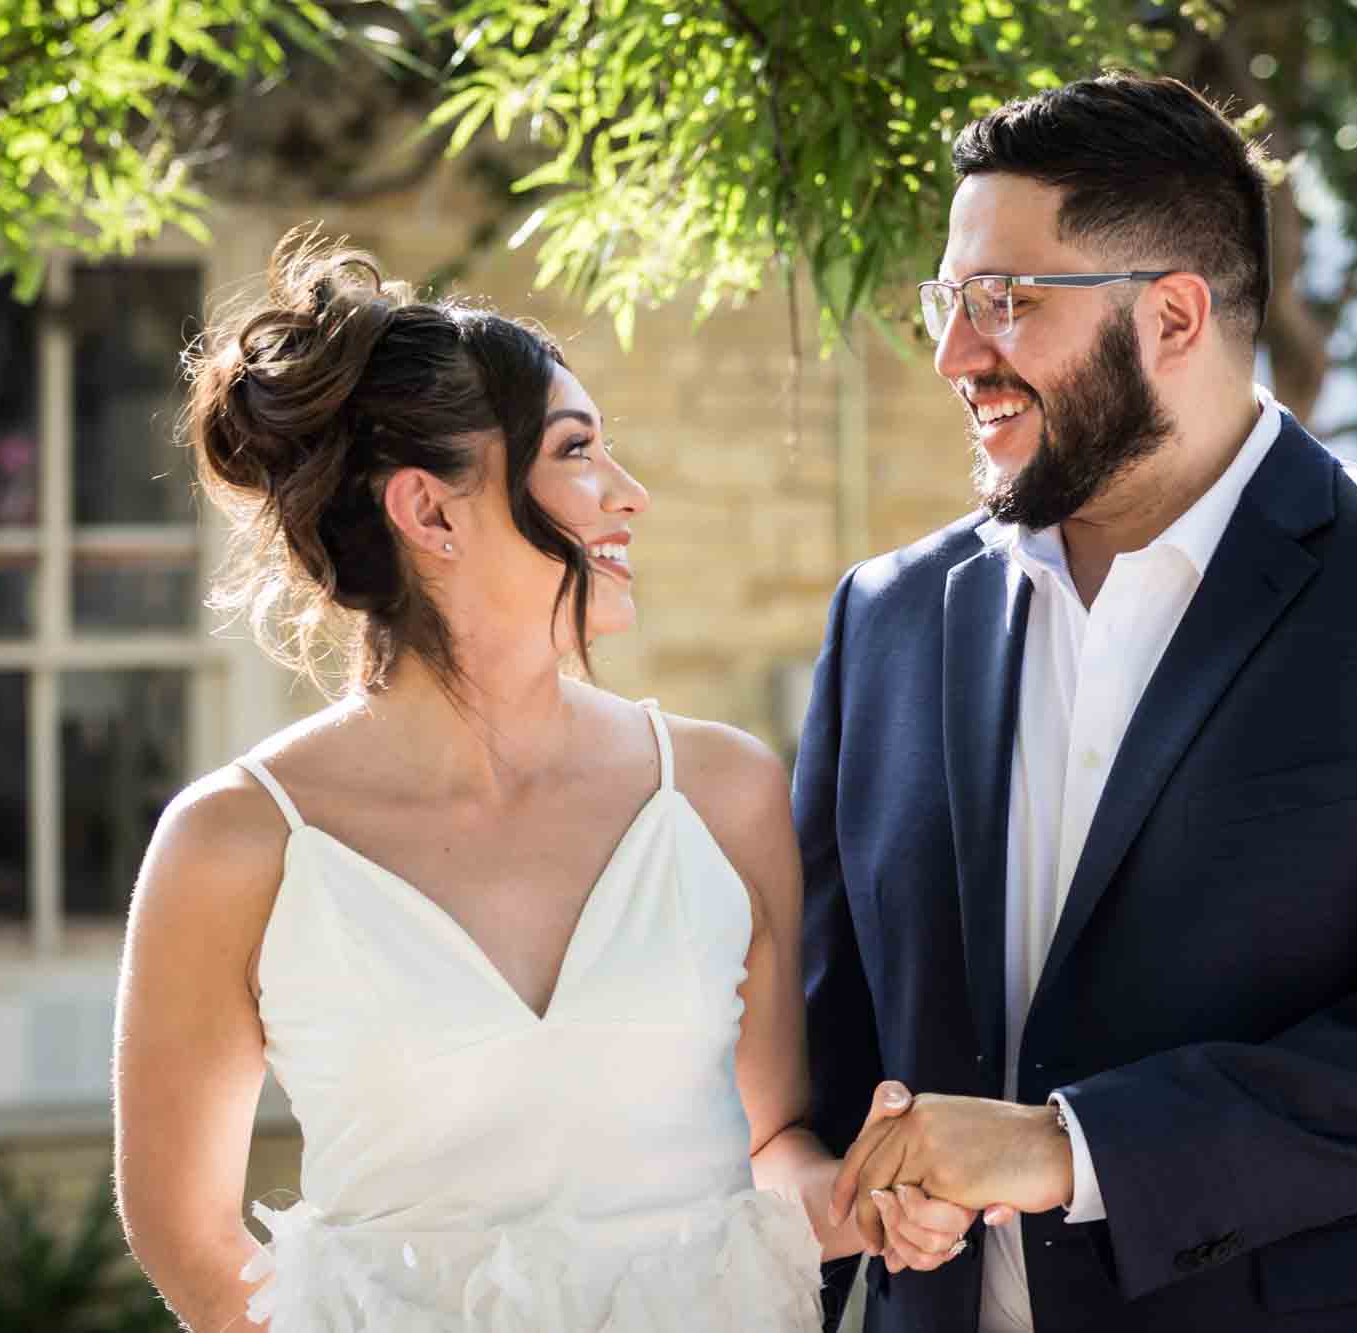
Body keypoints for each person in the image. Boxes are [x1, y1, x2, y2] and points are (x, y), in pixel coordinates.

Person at [796, 73, 1357, 1333]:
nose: (956, 355)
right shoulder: (886, 615)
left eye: (1004, 303)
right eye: (948, 304)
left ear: (1172, 315)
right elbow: (831, 1037)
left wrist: (1064, 1148)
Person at [111, 231, 980, 1332]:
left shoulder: (721, 792)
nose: (630, 495)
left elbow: (769, 1145)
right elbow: (181, 1230)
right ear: (429, 512)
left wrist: (866, 1206)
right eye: (575, 452)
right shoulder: (235, 842)